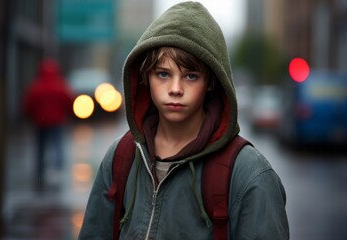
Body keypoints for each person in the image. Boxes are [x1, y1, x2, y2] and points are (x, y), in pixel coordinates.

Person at [79, 2, 289, 239]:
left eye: (190, 76)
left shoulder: (249, 174)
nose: (175, 89)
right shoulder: (120, 157)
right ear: (145, 77)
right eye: (163, 74)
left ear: (210, 82)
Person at [23, 58, 74, 189]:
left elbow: (28, 103)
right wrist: (66, 113)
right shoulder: (60, 85)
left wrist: (30, 115)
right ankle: (57, 169)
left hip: (40, 122)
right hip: (56, 121)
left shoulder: (36, 86)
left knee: (40, 147)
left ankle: (39, 171)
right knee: (57, 144)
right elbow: (69, 100)